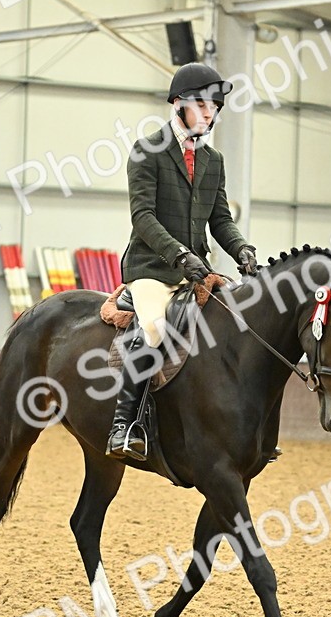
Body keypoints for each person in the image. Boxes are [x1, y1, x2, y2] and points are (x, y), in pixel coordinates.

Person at [107, 63, 258, 460]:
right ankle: (124, 426)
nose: (210, 113)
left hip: (196, 272)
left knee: (237, 327)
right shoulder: (147, 151)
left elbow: (221, 220)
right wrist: (178, 254)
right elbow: (143, 217)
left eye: (215, 107)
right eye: (203, 105)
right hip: (153, 270)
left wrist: (243, 250)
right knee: (154, 330)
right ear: (179, 104)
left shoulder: (214, 161)